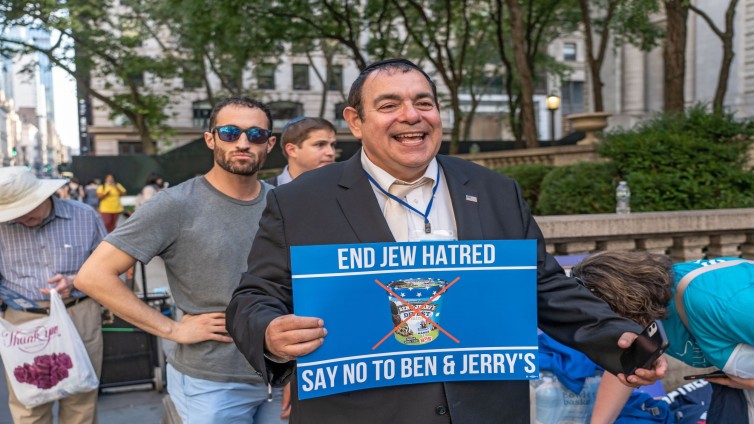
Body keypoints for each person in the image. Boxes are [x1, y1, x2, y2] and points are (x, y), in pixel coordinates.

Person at [225, 58, 665, 424]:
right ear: (356, 122)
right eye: (389, 105)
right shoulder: (300, 201)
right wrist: (268, 332)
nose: (411, 116)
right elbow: (254, 297)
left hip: (485, 409)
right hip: (359, 411)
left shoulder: (496, 191)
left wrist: (616, 339)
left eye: (424, 103)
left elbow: (544, 286)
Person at [75, 96, 288, 423]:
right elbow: (93, 276)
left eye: (256, 135)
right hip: (211, 383)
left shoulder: (282, 203)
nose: (243, 142)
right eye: (230, 132)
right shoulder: (175, 204)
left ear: (270, 143)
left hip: (282, 375)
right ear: (210, 138)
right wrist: (171, 330)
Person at [570, 251, 754, 424]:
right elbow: (625, 367)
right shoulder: (647, 300)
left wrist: (747, 382)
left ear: (624, 306)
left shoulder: (723, 305)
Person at [0, 167, 106, 424]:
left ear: (43, 195)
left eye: (28, 207)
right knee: (29, 404)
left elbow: (110, 268)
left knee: (81, 399)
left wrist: (75, 282)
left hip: (78, 312)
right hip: (22, 319)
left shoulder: (84, 216)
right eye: (16, 212)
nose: (23, 216)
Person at [265, 116, 337, 186]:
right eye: (320, 144)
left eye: (332, 145)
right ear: (292, 150)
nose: (331, 152)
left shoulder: (343, 189)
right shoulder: (265, 193)